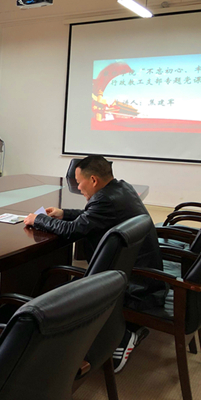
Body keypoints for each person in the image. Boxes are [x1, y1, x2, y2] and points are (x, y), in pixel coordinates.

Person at [23, 155, 167, 373]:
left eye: (79, 182)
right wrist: (64, 213)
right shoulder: (121, 188)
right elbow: (93, 216)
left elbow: (73, 231)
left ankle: (121, 337)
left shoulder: (104, 200)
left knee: (56, 290)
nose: (78, 187)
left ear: (93, 180)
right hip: (144, 277)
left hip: (135, 287)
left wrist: (38, 220)